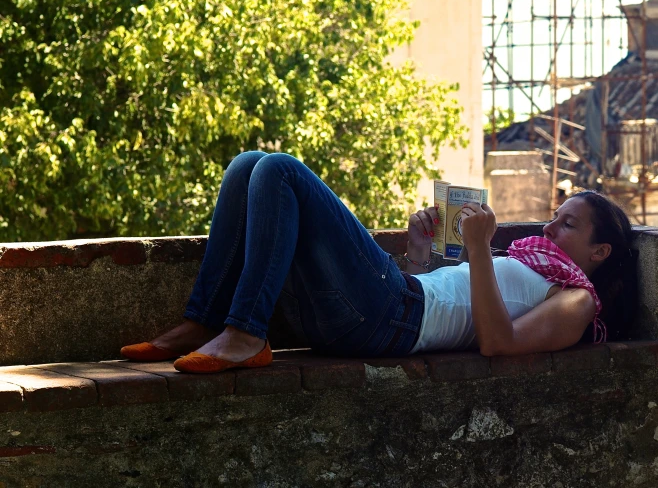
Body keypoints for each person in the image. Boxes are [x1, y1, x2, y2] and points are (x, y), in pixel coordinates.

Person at [120, 152, 637, 373]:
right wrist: (417, 254)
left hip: (390, 318)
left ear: (600, 252)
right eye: (553, 217)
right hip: (390, 308)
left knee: (279, 171)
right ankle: (205, 319)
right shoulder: (534, 264)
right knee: (247, 167)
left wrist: (479, 249)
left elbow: (499, 342)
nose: (548, 229)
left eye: (568, 225)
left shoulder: (576, 302)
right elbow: (445, 299)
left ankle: (246, 332)